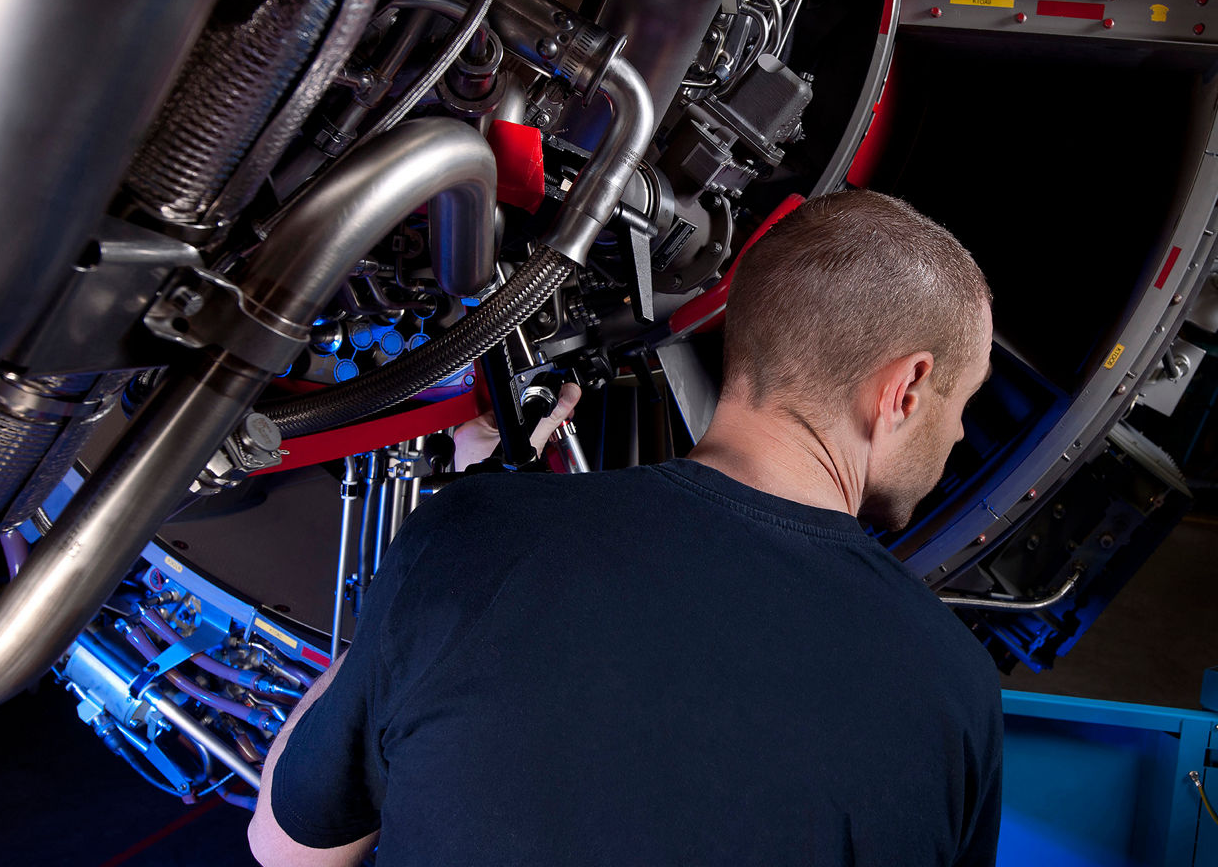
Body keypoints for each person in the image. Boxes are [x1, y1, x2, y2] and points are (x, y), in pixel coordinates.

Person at [249, 189, 1003, 867]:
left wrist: (407, 598)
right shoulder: (955, 689)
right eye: (961, 401)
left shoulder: (471, 539)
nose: (962, 434)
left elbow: (286, 851)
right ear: (903, 388)